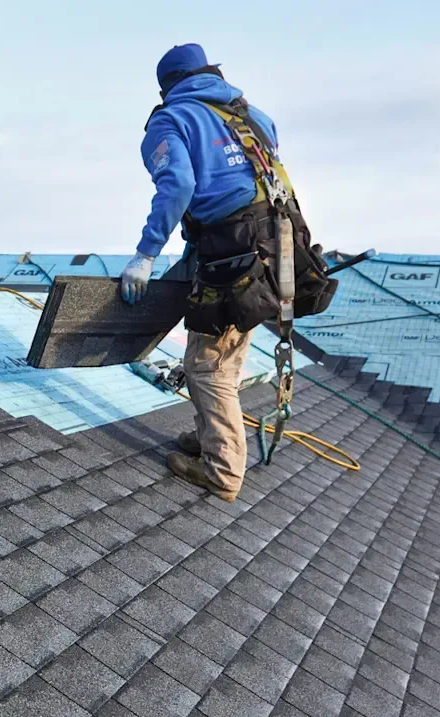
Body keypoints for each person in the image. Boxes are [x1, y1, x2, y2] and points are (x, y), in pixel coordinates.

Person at [119, 43, 330, 504]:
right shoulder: (253, 116)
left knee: (203, 365)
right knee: (228, 348)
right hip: (280, 246)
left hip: (232, 248)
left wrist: (146, 252)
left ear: (167, 86)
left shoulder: (173, 119)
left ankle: (221, 470)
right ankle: (214, 435)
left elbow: (179, 184)